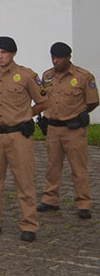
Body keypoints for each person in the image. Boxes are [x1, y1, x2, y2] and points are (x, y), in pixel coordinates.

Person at [0, 36, 49, 242]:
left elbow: (43, 101)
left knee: (24, 180)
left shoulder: (26, 76)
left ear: (13, 53)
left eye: (4, 53)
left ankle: (29, 224)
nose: (0, 56)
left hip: (18, 135)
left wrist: (26, 114)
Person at [38, 41, 96, 220]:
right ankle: (50, 199)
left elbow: (93, 100)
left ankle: (83, 203)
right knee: (52, 166)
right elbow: (43, 97)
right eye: (53, 57)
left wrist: (78, 115)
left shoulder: (84, 76)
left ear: (69, 58)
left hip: (74, 129)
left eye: (59, 58)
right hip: (53, 127)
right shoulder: (47, 76)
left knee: (79, 168)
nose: (56, 61)